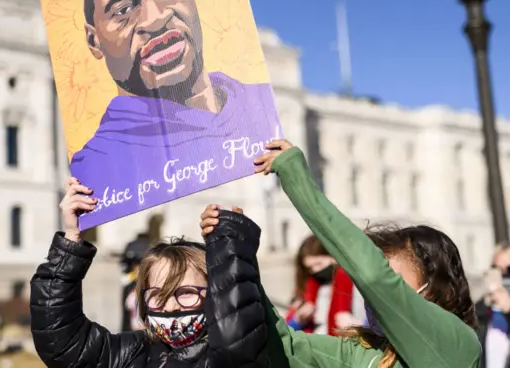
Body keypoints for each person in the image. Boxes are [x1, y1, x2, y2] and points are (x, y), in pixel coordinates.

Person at [201, 139, 482, 368]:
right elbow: (286, 346)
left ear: (434, 290)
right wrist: (234, 251)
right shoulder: (366, 352)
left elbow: (373, 277)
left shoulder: (458, 346)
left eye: (395, 282)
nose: (375, 300)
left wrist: (297, 180)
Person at [71, 0, 280, 228]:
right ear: (94, 41)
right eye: (123, 9)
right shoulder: (95, 165)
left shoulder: (257, 108)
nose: (155, 18)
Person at [30, 177, 269, 368]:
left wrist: (230, 248)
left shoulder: (228, 353)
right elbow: (62, 344)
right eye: (158, 295)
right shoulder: (133, 352)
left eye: (186, 293)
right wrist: (71, 240)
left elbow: (235, 340)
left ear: (216, 293)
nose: (171, 307)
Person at [286, 235, 363, 335]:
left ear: (333, 256)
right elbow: (286, 330)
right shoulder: (308, 288)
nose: (315, 270)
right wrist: (298, 319)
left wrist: (357, 325)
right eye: (310, 268)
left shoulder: (357, 285)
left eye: (319, 264)